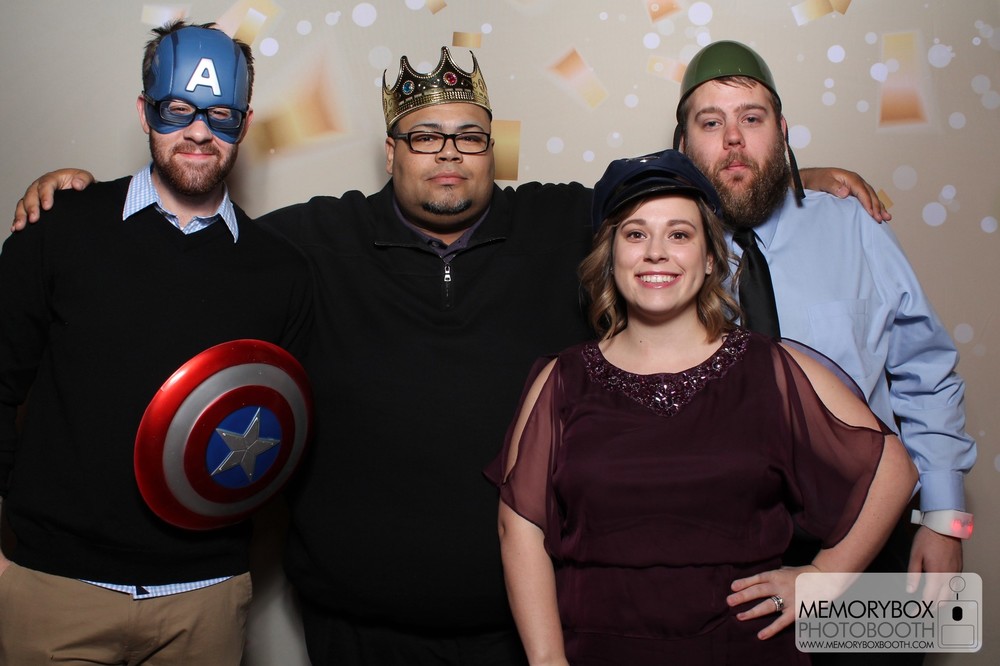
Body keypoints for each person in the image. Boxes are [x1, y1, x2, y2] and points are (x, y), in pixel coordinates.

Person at [6, 47, 891, 665]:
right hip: (355, 627)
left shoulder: (562, 224)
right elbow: (192, 244)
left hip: (530, 628)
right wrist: (82, 196)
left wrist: (793, 187)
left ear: (491, 147)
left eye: (469, 136)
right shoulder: (307, 244)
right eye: (425, 136)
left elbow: (668, 206)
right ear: (391, 148)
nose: (448, 155)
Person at [488, 148, 917, 664]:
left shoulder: (768, 367)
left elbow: (893, 468)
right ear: (610, 256)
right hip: (600, 649)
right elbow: (520, 527)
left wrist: (825, 576)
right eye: (635, 234)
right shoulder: (563, 379)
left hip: (748, 651)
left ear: (710, 258)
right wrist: (547, 660)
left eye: (679, 234)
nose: (656, 253)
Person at [0, 21, 313, 665]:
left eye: (221, 116)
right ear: (145, 112)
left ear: (245, 124)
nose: (199, 132)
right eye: (178, 110)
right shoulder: (59, 228)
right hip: (55, 589)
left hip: (205, 601)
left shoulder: (282, 271)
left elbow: (287, 441)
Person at [673, 40, 976, 663]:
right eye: (711, 123)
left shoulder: (853, 223)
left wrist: (946, 520)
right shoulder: (660, 250)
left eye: (752, 119)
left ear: (782, 132)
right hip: (727, 556)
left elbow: (924, 371)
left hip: (874, 535)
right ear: (682, 146)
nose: (734, 140)